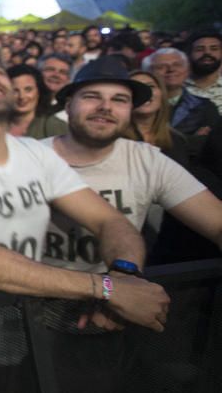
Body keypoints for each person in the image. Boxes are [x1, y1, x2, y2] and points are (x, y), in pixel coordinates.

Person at [0, 48, 170, 328]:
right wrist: (105, 288)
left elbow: (109, 219)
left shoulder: (34, 153)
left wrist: (125, 275)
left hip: (32, 331)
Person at [41, 56, 222, 273]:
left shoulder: (147, 161)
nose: (105, 107)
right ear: (69, 107)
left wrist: (121, 287)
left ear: (129, 111)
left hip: (120, 293)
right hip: (36, 296)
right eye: (91, 96)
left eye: (119, 100)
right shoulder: (30, 158)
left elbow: (217, 222)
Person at [125, 70, 189, 164]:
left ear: (162, 94)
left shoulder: (177, 140)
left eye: (150, 86)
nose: (145, 92)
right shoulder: (112, 139)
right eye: (136, 87)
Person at [6, 64, 68, 139]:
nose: (21, 96)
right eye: (15, 90)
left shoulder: (54, 125)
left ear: (39, 92)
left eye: (28, 90)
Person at [184, 30, 222, 112]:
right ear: (189, 54)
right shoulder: (178, 87)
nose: (207, 53)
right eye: (199, 49)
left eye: (214, 49)